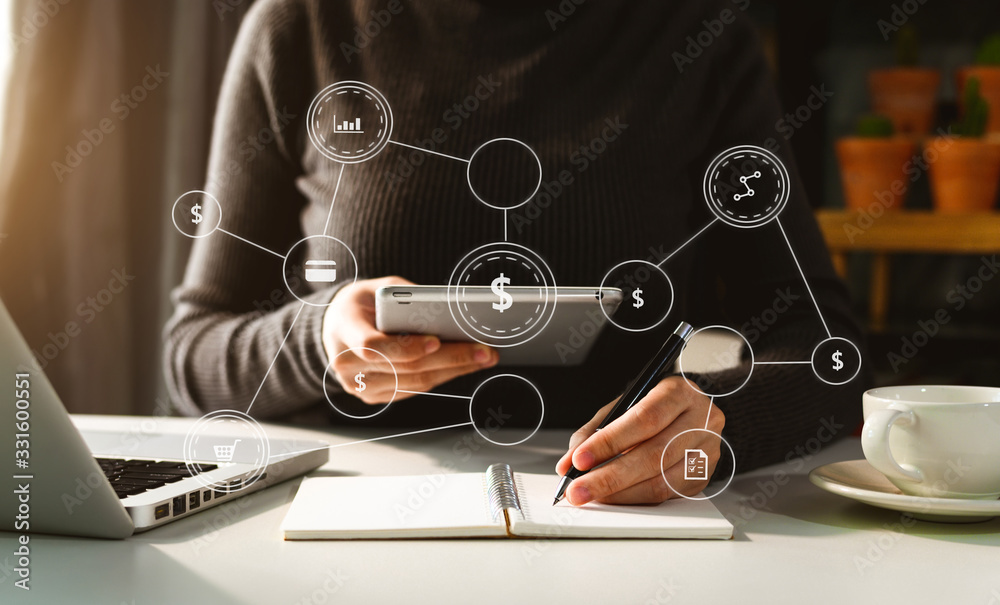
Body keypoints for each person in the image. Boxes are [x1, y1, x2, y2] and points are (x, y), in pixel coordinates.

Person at [164, 0, 864, 507]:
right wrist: (319, 335)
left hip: (625, 523)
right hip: (355, 524)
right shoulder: (303, 24)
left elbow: (823, 344)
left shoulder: (698, 32)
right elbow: (193, 354)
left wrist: (720, 413)